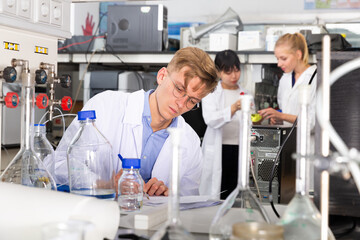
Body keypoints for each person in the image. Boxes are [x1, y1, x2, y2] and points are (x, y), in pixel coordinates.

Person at [54, 47, 218, 196]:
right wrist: (104, 184)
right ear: (162, 76)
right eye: (179, 89)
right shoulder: (104, 106)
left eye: (192, 101)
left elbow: (189, 200)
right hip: (98, 219)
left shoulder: (190, 141)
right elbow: (58, 164)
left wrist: (169, 195)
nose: (181, 104)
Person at [199, 49, 250, 199]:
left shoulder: (246, 94)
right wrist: (233, 108)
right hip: (219, 149)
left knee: (235, 191)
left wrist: (256, 119)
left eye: (236, 70)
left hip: (239, 148)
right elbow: (210, 119)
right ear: (218, 72)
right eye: (228, 72)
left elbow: (249, 122)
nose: (234, 76)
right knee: (218, 191)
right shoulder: (211, 93)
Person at [258, 33, 317, 128]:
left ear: (298, 54)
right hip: (287, 140)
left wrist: (282, 116)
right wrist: (278, 119)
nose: (279, 64)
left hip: (308, 141)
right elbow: (285, 112)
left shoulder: (315, 78)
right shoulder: (285, 79)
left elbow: (313, 122)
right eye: (277, 59)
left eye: (283, 59)